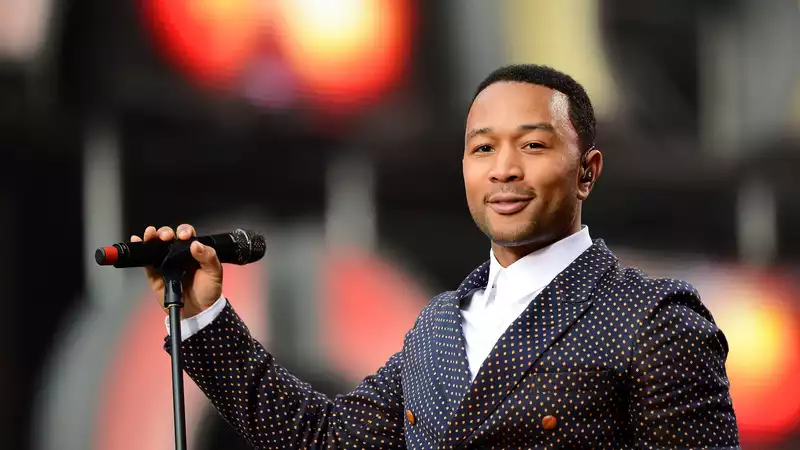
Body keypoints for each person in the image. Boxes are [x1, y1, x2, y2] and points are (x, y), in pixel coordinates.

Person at [133, 64, 740, 448]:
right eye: (483, 149)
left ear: (587, 170)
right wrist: (203, 317)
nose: (504, 169)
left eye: (532, 144)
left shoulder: (655, 322)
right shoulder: (441, 325)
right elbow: (322, 437)